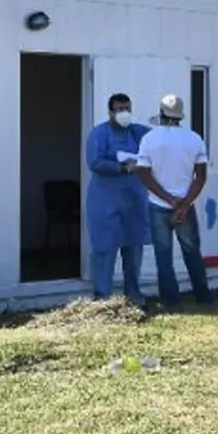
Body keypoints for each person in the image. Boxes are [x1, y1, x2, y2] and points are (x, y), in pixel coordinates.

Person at [135, 93, 214, 308]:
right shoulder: (194, 138)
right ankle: (203, 296)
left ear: (161, 113)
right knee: (191, 252)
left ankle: (170, 299)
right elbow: (201, 177)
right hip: (185, 205)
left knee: (163, 255)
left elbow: (143, 173)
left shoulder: (150, 139)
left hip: (159, 204)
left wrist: (169, 199)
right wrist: (184, 204)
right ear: (181, 115)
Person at [85, 93, 150, 306]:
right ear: (111, 112)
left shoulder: (139, 132)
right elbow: (95, 161)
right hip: (105, 200)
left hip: (134, 200)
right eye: (120, 109)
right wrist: (122, 167)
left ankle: (133, 295)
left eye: (127, 109)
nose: (125, 113)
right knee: (105, 248)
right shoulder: (99, 133)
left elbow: (156, 146)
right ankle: (102, 296)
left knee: (133, 247)